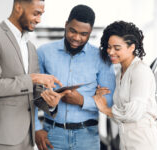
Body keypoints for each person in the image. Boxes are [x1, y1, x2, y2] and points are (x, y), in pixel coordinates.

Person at [0, 0, 70, 150]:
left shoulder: (30, 47)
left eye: (41, 14)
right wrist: (32, 78)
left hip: (28, 138)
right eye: (36, 13)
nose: (39, 19)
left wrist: (50, 104)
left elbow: (33, 92)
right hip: (4, 138)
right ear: (18, 7)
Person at [34, 5, 116, 150]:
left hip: (87, 137)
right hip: (52, 135)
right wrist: (36, 128)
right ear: (66, 25)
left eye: (84, 34)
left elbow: (109, 101)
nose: (77, 38)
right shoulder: (44, 53)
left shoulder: (102, 58)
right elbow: (32, 93)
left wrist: (82, 101)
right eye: (73, 31)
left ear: (90, 32)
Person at [93, 21, 157, 150]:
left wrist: (105, 109)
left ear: (132, 47)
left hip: (145, 142)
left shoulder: (140, 71)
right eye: (109, 47)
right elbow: (121, 114)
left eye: (117, 48)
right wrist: (101, 98)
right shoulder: (120, 73)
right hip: (127, 142)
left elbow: (133, 113)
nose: (111, 51)